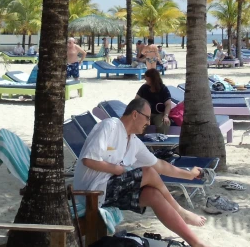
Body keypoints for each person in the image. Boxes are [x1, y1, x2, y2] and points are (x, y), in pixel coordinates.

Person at [72, 98, 210, 247]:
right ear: (135, 114)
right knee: (148, 173)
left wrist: (189, 174)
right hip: (89, 193)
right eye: (148, 117)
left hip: (107, 192)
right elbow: (88, 160)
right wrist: (118, 169)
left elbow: (161, 166)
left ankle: (195, 243)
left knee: (153, 195)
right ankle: (180, 211)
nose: (149, 123)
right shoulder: (110, 126)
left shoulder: (133, 142)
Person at [136, 69, 172, 134]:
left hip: (158, 114)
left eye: (146, 77)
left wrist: (166, 116)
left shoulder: (163, 89)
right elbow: (136, 100)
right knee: (138, 123)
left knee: (164, 124)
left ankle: (160, 140)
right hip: (145, 113)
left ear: (152, 78)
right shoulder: (144, 88)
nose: (145, 79)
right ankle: (139, 140)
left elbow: (168, 104)